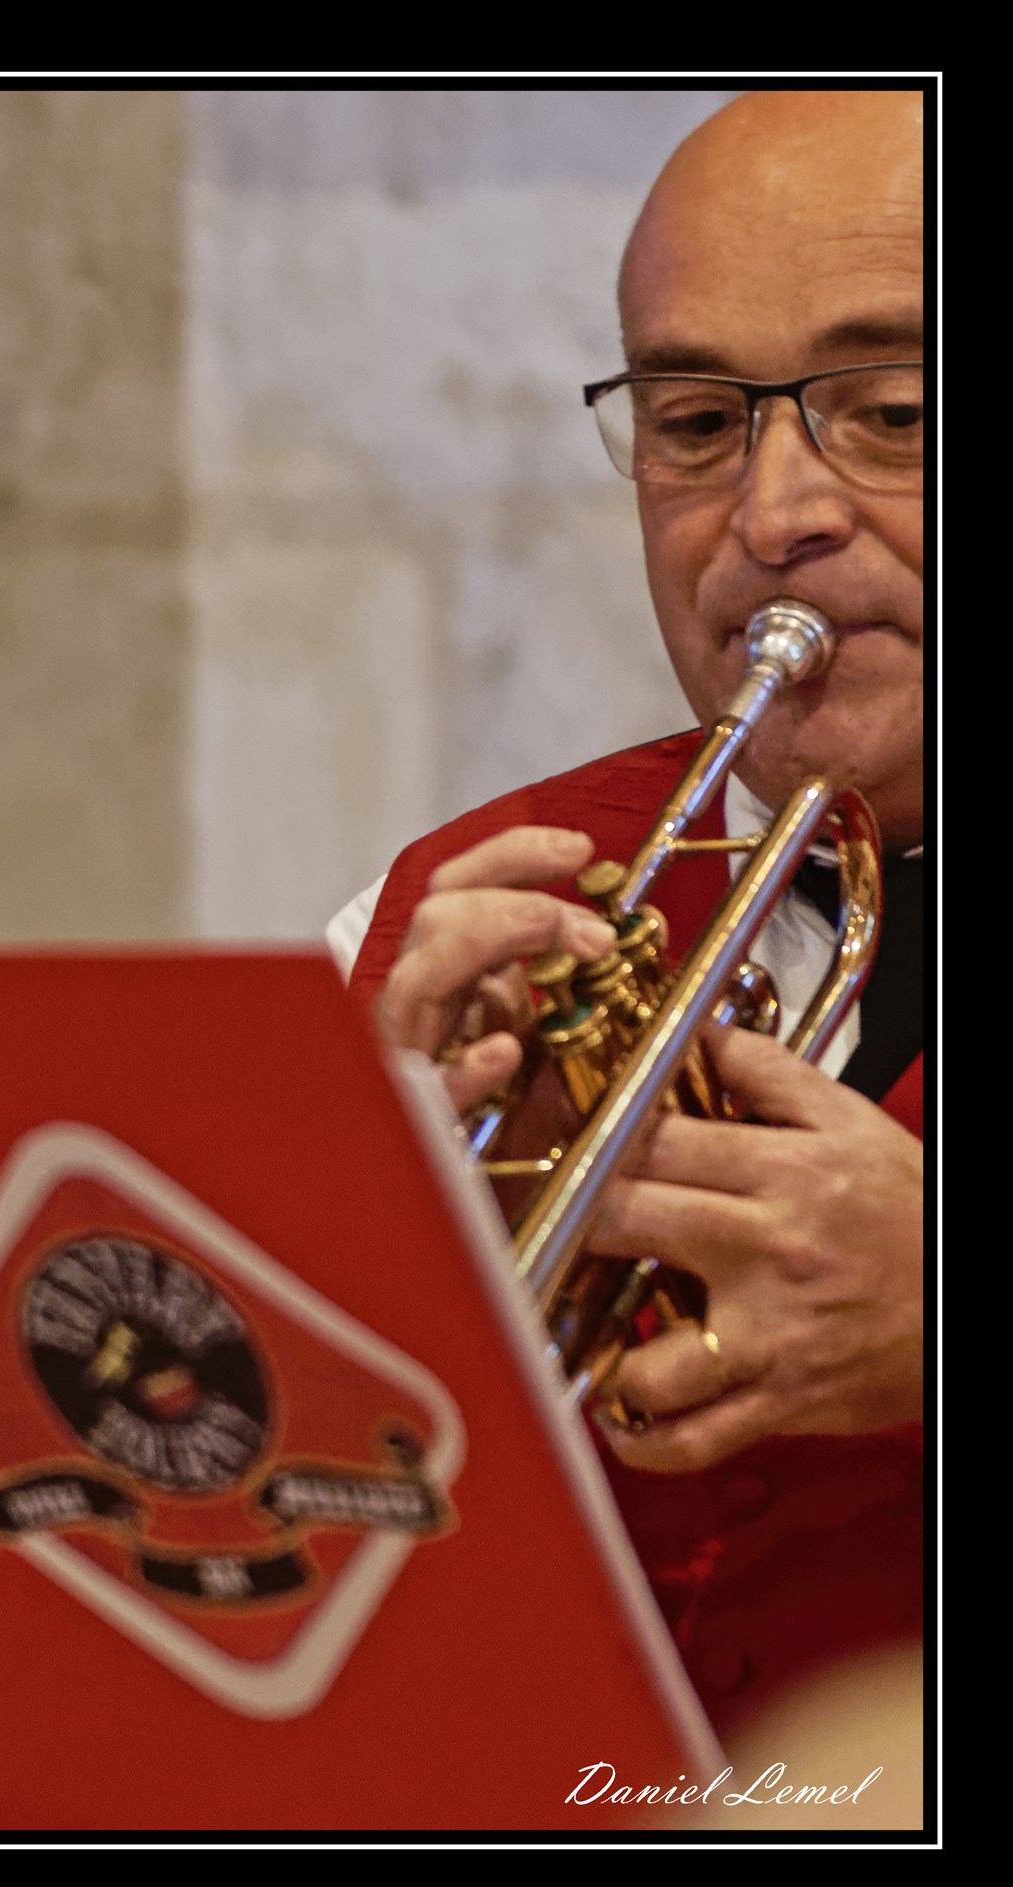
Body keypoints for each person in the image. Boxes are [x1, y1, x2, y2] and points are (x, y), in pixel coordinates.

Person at [334, 92, 925, 1736]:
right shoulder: (438, 908)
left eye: (886, 409)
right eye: (691, 425)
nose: (768, 513)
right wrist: (345, 1206)